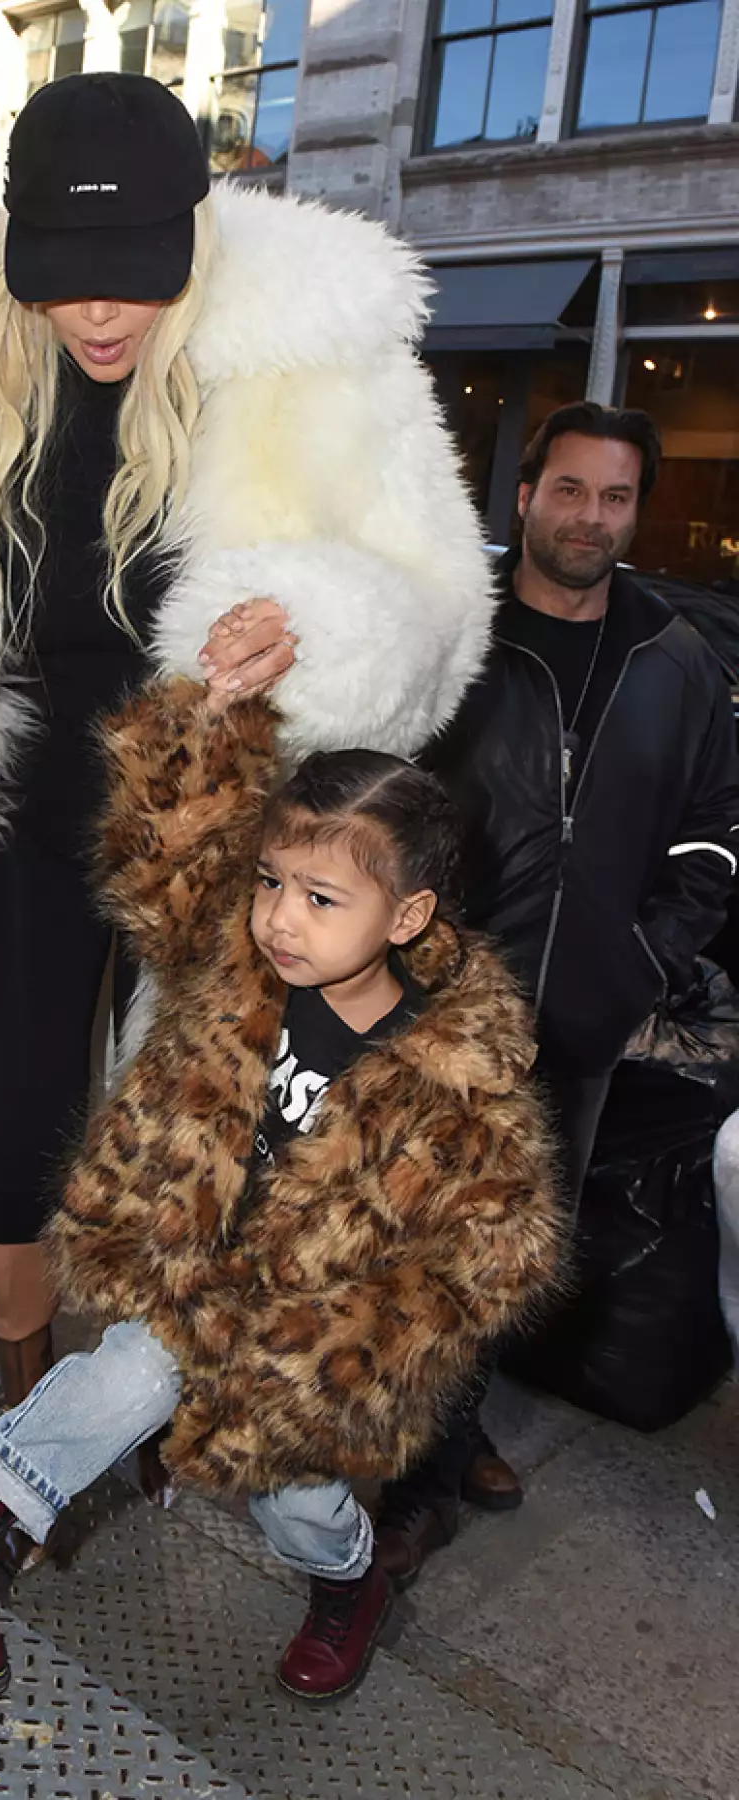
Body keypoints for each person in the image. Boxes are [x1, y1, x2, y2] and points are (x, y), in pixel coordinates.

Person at [0, 71, 494, 1408]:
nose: (100, 309)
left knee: (193, 1161)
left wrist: (319, 638)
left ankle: (138, 1408)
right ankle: (21, 1415)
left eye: (134, 273)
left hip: (224, 840)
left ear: (196, 233)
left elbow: (440, 613)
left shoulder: (316, 366)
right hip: (14, 811)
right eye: (66, 274)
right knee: (10, 1139)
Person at [0, 670, 564, 1705]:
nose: (280, 920)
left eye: (321, 898)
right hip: (191, 1282)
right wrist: (210, 709)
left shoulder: (459, 1072)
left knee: (299, 1512)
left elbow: (494, 1259)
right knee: (122, 1378)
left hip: (303, 1339)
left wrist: (346, 1347)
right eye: (270, 883)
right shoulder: (236, 965)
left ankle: (349, 1588)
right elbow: (166, 840)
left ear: (408, 914)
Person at [374, 401, 739, 1587]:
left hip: (579, 1023)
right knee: (409, 1243)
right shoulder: (455, 642)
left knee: (509, 1255)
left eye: (616, 497)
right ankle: (409, 1486)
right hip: (439, 1013)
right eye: (570, 490)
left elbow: (714, 831)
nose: (592, 517)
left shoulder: (674, 658)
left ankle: (448, 1432)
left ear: (638, 509)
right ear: (523, 497)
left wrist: (647, 962)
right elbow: (372, 807)